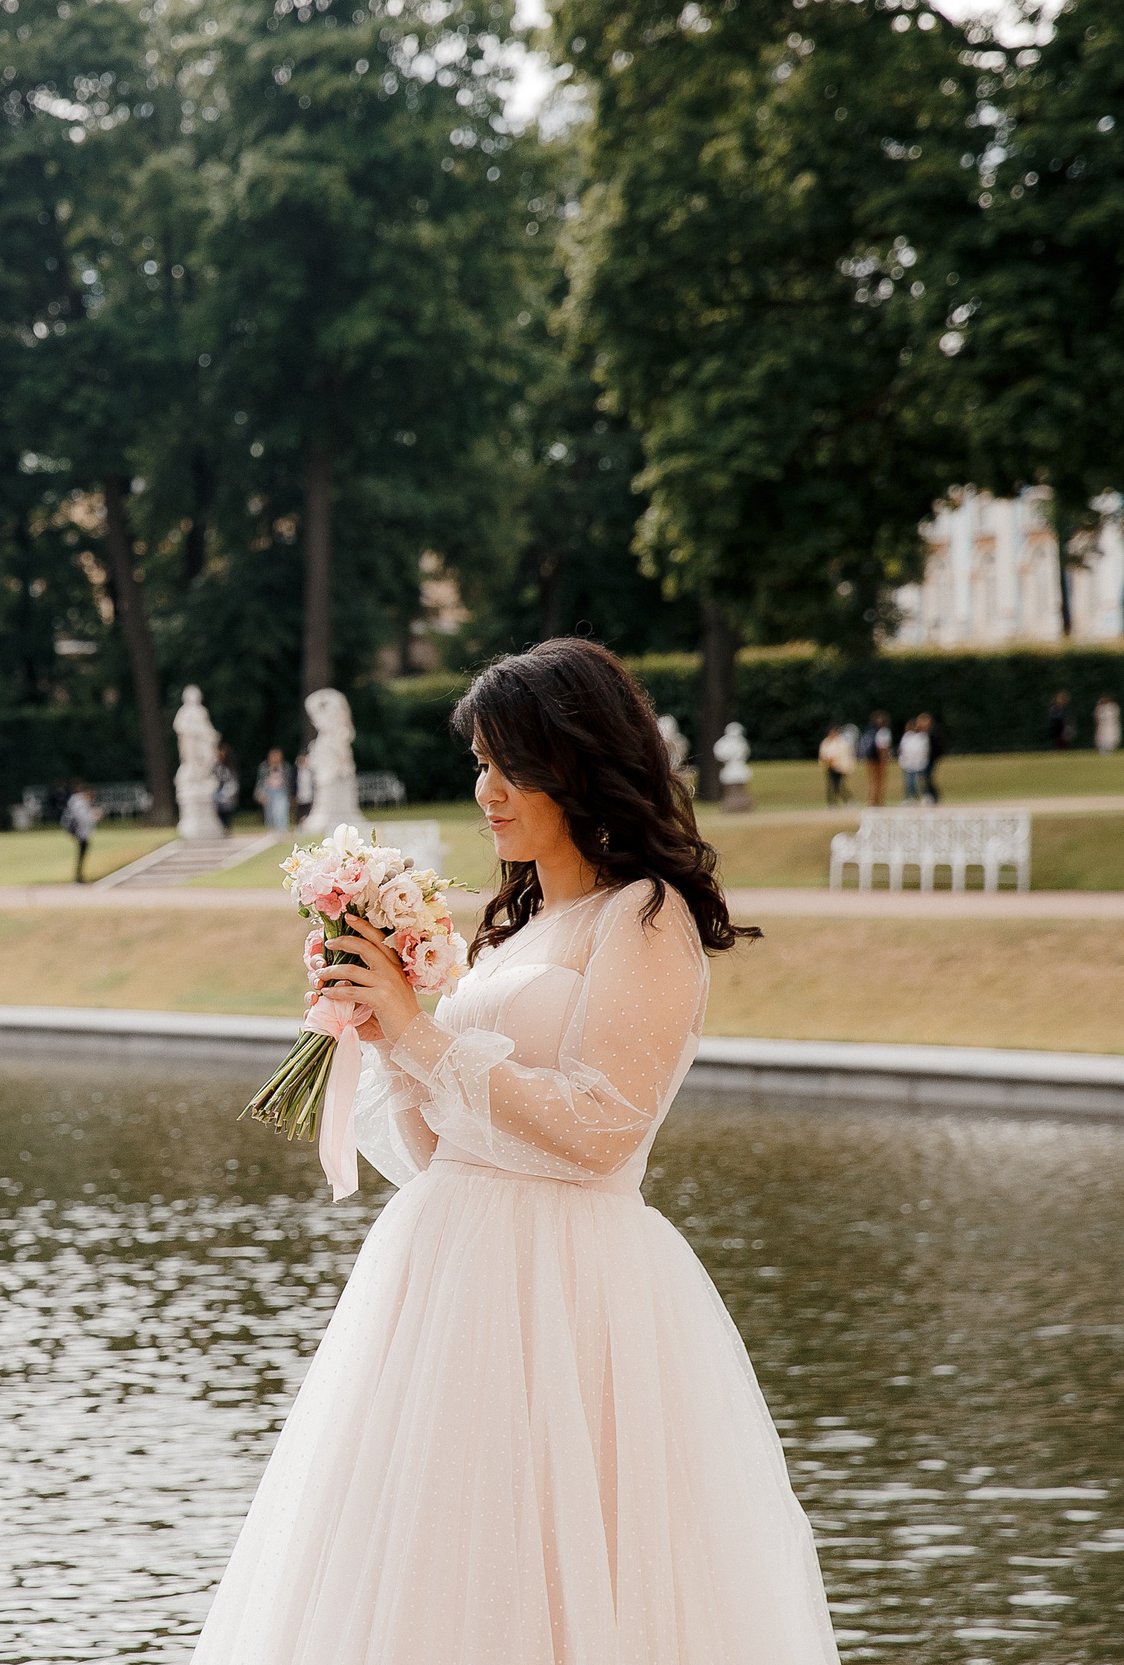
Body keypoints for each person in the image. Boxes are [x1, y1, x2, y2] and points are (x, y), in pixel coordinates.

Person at [194, 638, 833, 1664]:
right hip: (445, 1285)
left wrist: (417, 1031)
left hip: (570, 1291)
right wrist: (380, 1029)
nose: (486, 790)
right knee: (426, 1570)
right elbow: (436, 1144)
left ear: (577, 764)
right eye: (480, 764)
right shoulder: (513, 931)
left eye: (509, 765)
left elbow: (600, 1126)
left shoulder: (642, 916)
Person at [60, 780, 98, 884]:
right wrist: (94, 816)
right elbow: (82, 818)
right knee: (81, 855)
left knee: (82, 855)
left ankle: (79, 876)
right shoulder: (80, 802)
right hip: (80, 832)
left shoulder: (76, 801)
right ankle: (78, 877)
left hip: (80, 831)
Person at [816, 723, 856, 806]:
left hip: (840, 767)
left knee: (839, 785)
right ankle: (832, 803)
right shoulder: (826, 742)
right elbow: (823, 754)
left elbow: (845, 755)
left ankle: (849, 801)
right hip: (830, 766)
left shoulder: (842, 742)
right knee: (830, 785)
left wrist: (844, 765)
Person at [897, 713, 934, 804]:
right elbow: (902, 749)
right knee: (909, 783)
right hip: (908, 764)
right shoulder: (907, 736)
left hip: (920, 764)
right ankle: (908, 798)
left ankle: (925, 797)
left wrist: (923, 760)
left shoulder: (923, 736)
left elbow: (925, 750)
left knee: (921, 782)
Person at [255, 748, 292, 832]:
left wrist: (290, 795)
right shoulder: (264, 767)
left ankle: (282, 829)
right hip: (268, 791)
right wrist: (260, 794)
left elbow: (289, 782)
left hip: (281, 791)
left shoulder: (285, 767)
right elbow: (260, 781)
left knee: (282, 811)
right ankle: (271, 829)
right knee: (269, 812)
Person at [862, 710, 893, 807]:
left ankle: (871, 800)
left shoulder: (870, 731)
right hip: (878, 758)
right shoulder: (884, 731)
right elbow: (882, 747)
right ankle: (877, 801)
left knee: (872, 781)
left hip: (870, 757)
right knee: (878, 781)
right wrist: (883, 760)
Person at [213, 744, 241, 830]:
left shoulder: (230, 767)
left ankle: (226, 828)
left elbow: (233, 781)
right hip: (217, 791)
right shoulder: (215, 767)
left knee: (226, 813)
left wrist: (229, 792)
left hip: (226, 792)